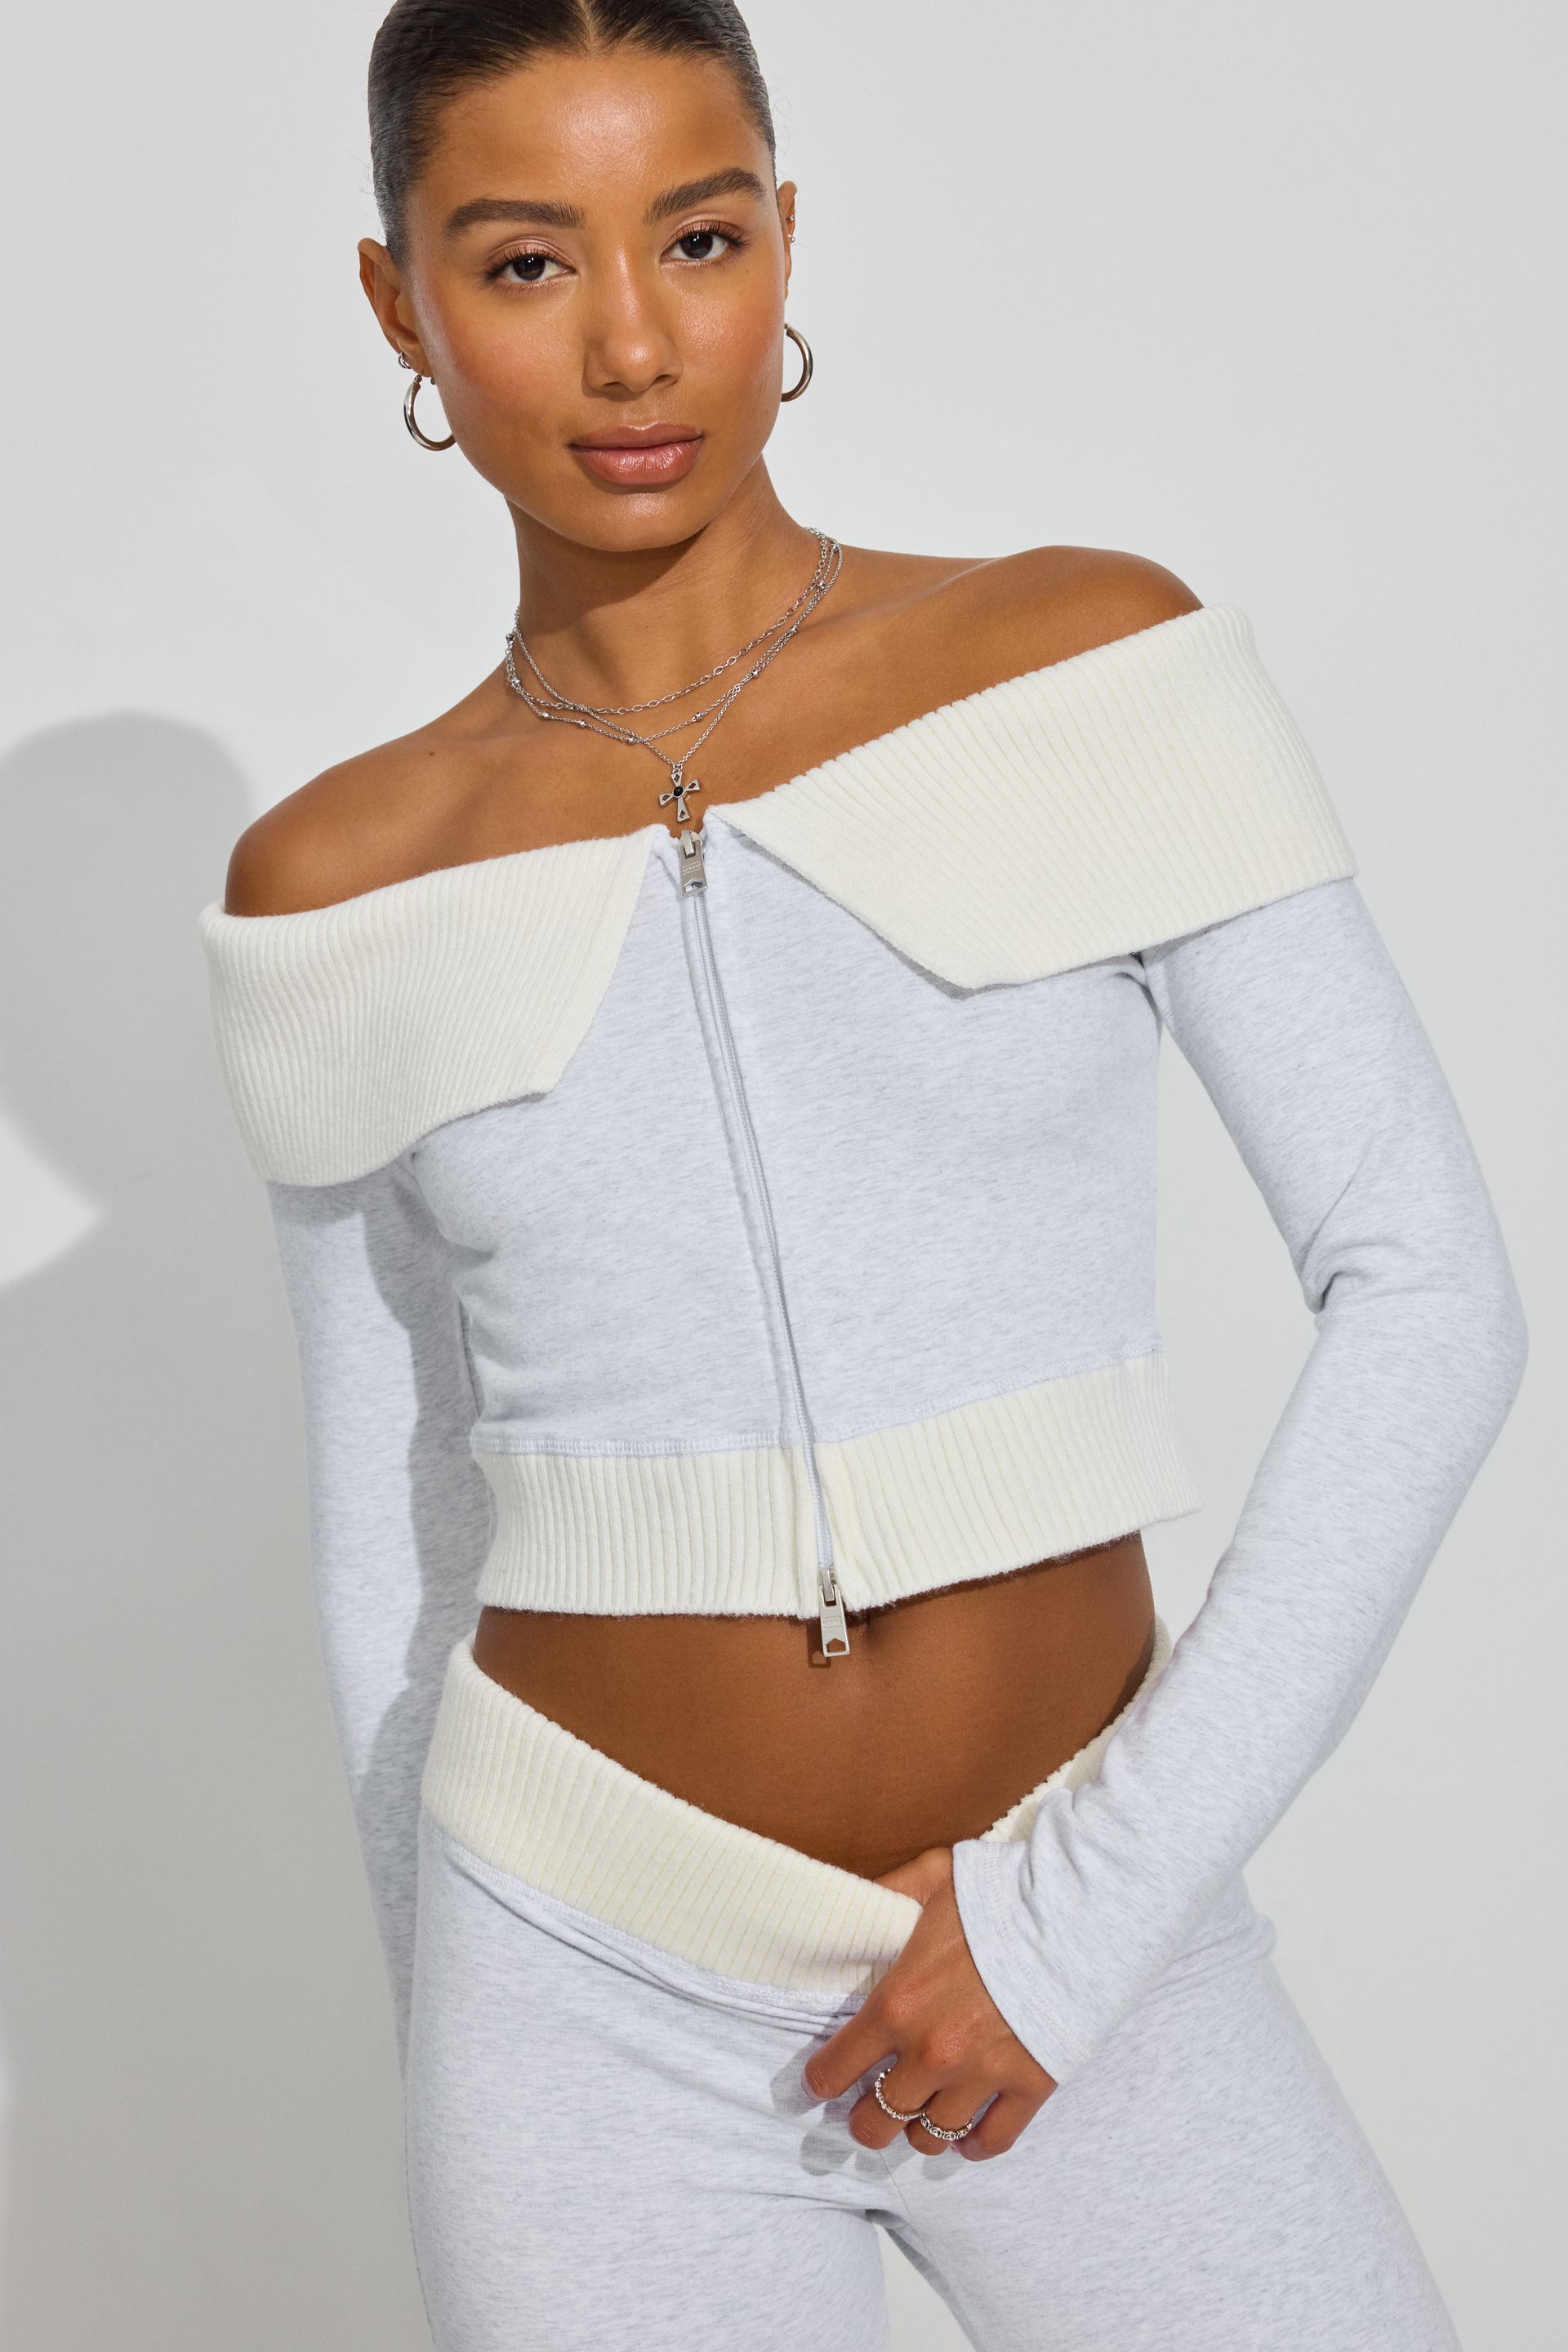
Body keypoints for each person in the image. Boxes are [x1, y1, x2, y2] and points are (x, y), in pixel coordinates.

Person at [196, 4, 1528, 2345]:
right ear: (401, 303)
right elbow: (397, 1535)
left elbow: (1433, 1291)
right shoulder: (336, 889)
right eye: (526, 263)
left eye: (699, 239)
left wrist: (1080, 1915)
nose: (635, 345)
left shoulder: (1084, 667)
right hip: (579, 1985)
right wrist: (463, 2067)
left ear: (786, 240)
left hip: (1079, 1915)